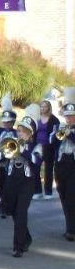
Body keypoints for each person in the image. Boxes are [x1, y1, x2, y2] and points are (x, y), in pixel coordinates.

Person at [3, 105, 42, 257]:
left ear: (30, 133)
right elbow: (2, 156)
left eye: (24, 131)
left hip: (27, 182)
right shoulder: (12, 142)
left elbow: (36, 162)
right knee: (13, 210)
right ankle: (26, 237)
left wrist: (24, 150)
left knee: (21, 213)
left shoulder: (36, 146)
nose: (20, 133)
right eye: (19, 130)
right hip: (12, 179)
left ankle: (18, 246)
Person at [51, 88, 75, 241]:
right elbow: (51, 144)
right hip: (61, 165)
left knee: (71, 197)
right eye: (67, 116)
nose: (69, 119)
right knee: (63, 196)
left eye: (72, 117)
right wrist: (57, 135)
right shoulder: (60, 127)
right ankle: (69, 226)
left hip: (73, 165)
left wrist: (70, 134)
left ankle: (71, 230)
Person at [0, 94, 18, 218]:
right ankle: (6, 204)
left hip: (9, 162)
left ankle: (4, 208)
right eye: (5, 122)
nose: (6, 124)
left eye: (9, 122)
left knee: (7, 187)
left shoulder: (16, 133)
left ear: (13, 122)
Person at [35, 89, 60, 200]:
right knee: (35, 168)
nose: (43, 108)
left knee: (48, 170)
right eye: (41, 106)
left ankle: (48, 192)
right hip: (37, 146)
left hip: (49, 147)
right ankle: (37, 191)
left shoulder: (54, 119)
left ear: (49, 108)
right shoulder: (36, 118)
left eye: (45, 106)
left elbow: (57, 134)